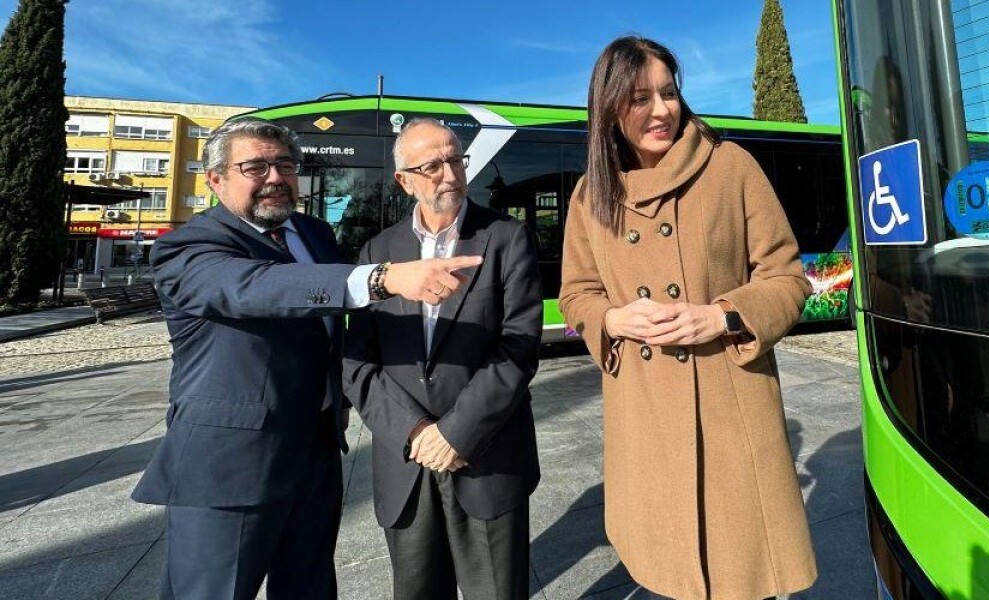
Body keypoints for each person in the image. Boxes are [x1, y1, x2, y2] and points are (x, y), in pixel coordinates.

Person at [132, 117, 481, 600]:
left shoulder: (313, 233)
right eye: (255, 166)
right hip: (229, 469)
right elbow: (253, 287)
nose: (275, 178)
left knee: (310, 587)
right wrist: (378, 279)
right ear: (216, 180)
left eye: (285, 165)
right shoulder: (188, 246)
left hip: (316, 456)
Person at [558, 36, 818, 599]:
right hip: (645, 416)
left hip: (730, 406)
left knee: (742, 574)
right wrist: (615, 320)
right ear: (607, 108)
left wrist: (722, 316)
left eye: (669, 93)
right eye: (639, 97)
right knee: (669, 572)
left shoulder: (730, 166)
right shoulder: (590, 193)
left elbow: (788, 278)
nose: (660, 110)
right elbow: (576, 293)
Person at [342, 118, 543, 600]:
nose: (450, 174)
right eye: (432, 165)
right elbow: (355, 361)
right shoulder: (379, 252)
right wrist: (414, 432)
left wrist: (455, 433)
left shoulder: (505, 238)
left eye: (456, 159)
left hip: (487, 458)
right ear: (404, 180)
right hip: (405, 464)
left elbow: (518, 347)